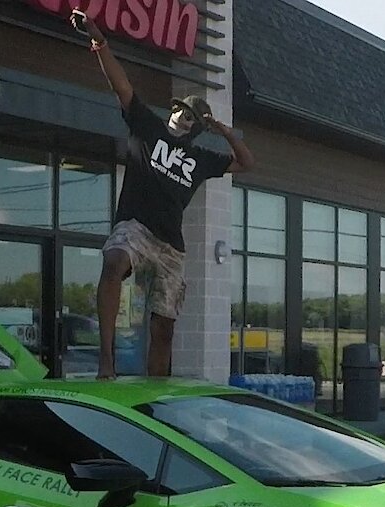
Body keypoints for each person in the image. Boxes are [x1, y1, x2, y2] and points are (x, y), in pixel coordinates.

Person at [75, 11, 255, 379]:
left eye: (190, 118)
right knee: (113, 262)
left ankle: (156, 388)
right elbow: (121, 85)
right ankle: (106, 361)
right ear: (170, 110)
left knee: (164, 328)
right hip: (136, 228)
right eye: (179, 110)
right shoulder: (147, 127)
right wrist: (99, 41)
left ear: (196, 130)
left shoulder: (202, 159)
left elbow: (246, 163)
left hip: (171, 246)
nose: (181, 118)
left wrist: (223, 130)